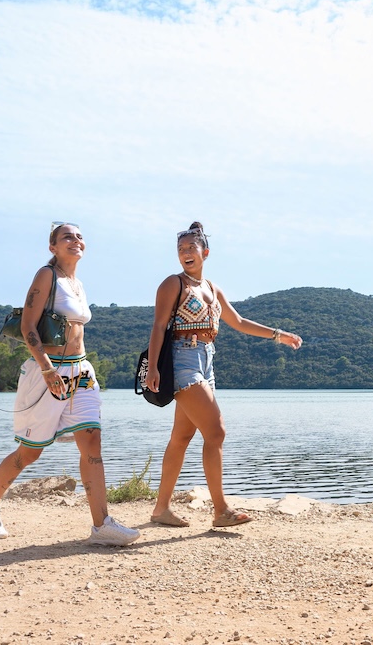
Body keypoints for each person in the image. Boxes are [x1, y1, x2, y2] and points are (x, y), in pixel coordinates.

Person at [0, 222, 139, 546]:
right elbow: (29, 326)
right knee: (29, 453)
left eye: (79, 236)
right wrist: (47, 370)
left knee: (92, 441)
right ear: (53, 247)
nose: (75, 240)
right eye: (66, 237)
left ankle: (102, 525)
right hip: (47, 372)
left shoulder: (78, 283)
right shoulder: (47, 276)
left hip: (81, 370)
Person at [144, 222, 303, 528]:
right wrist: (152, 367)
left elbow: (239, 321)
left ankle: (160, 509)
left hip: (206, 361)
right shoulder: (172, 284)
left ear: (205, 252)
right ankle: (221, 511)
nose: (185, 253)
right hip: (182, 359)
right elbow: (158, 326)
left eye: (191, 248)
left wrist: (278, 335)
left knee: (181, 437)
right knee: (216, 432)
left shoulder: (212, 289)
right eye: (180, 249)